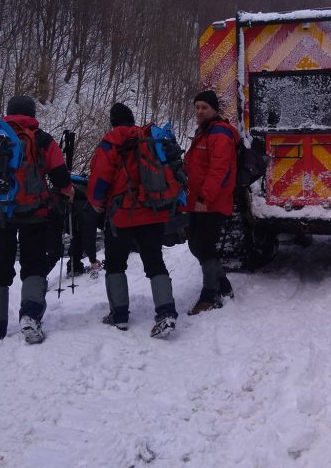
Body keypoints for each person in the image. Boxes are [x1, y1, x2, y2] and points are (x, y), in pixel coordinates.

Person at [0, 95, 74, 344]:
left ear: (8, 112)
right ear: (31, 114)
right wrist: (67, 192)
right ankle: (30, 315)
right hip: (34, 213)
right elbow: (60, 174)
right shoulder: (41, 138)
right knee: (33, 265)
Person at [86, 102, 178, 338]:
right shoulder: (148, 137)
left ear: (113, 121)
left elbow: (100, 178)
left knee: (116, 264)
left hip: (121, 215)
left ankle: (119, 315)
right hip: (152, 211)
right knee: (155, 262)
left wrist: (96, 202)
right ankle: (166, 312)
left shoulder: (110, 142)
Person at [184, 90, 239, 315]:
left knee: (203, 246)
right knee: (196, 244)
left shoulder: (220, 134)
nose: (199, 111)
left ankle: (210, 295)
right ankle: (223, 285)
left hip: (211, 202)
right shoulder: (203, 132)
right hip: (198, 200)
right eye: (197, 107)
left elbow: (219, 170)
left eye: (204, 107)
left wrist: (204, 198)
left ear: (214, 109)